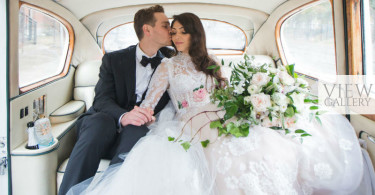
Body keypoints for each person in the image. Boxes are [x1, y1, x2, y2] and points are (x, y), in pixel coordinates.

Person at [68, 12, 363, 195]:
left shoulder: (213, 62)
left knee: (259, 147)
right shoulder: (167, 66)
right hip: (192, 120)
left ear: (196, 35)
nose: (178, 36)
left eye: (184, 31)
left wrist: (250, 107)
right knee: (220, 154)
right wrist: (141, 115)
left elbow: (227, 93)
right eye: (174, 31)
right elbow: (150, 100)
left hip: (223, 114)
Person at [58, 5, 174, 195]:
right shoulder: (113, 60)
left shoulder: (173, 61)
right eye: (165, 25)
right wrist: (124, 115)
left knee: (138, 130)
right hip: (102, 125)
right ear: (147, 29)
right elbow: (102, 100)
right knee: (100, 122)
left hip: (137, 130)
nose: (170, 30)